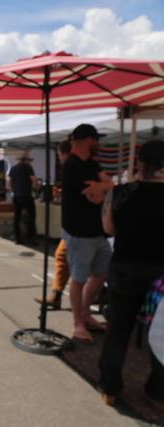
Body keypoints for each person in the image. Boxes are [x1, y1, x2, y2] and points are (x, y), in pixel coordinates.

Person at [98, 140, 164, 406]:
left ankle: (110, 388)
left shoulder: (121, 192)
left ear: (140, 163)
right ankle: (158, 392)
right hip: (161, 274)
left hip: (125, 266)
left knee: (118, 329)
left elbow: (109, 229)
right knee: (161, 333)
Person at [61, 124, 113, 344]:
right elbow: (95, 195)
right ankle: (78, 324)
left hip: (96, 231)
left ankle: (85, 314)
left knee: (102, 273)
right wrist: (102, 186)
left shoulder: (91, 163)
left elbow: (109, 184)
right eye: (96, 140)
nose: (98, 144)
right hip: (79, 232)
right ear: (89, 140)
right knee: (79, 279)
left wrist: (102, 186)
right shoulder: (72, 165)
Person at [34, 138, 72, 309]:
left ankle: (82, 315)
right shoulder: (73, 168)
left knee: (79, 269)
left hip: (81, 228)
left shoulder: (76, 167)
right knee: (62, 257)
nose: (60, 158)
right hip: (74, 226)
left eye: (59, 155)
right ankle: (56, 295)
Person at [7, 152, 37, 245]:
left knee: (17, 217)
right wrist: (36, 186)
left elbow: (8, 182)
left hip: (16, 196)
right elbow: (34, 179)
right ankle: (30, 238)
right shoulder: (28, 167)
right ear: (26, 160)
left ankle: (17, 239)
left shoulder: (13, 168)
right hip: (27, 195)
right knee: (31, 216)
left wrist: (13, 190)